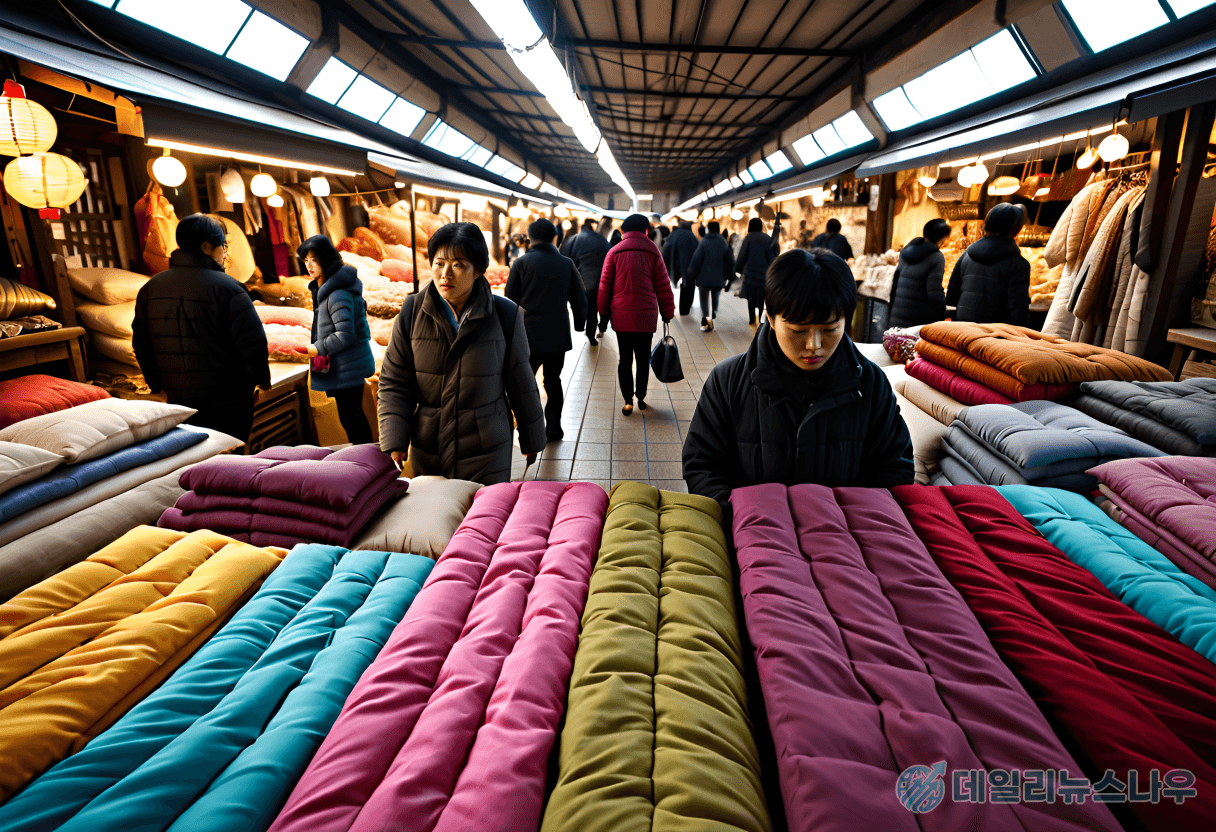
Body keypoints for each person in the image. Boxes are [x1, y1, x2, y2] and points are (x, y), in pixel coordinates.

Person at [682, 248, 914, 508]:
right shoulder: (727, 382)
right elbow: (703, 465)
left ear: (846, 321)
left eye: (829, 329)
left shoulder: (871, 384)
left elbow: (894, 469)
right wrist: (742, 520)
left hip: (844, 532)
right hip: (753, 530)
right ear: (770, 319)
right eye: (798, 330)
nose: (814, 345)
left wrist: (850, 522)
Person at [378, 222, 545, 484]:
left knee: (485, 509)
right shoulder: (412, 311)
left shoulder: (505, 315)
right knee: (435, 509)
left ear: (478, 269)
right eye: (439, 263)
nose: (446, 274)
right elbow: (394, 381)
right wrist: (394, 439)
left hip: (487, 450)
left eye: (457, 264)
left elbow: (521, 383)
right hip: (428, 447)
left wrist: (532, 437)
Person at [132, 214, 269, 442]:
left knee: (196, 457)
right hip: (228, 401)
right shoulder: (230, 288)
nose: (226, 253)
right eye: (223, 246)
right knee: (230, 456)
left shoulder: (150, 288)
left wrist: (156, 385)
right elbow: (252, 343)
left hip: (177, 400)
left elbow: (141, 343)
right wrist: (261, 379)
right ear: (207, 247)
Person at [504, 219, 588, 442]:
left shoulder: (520, 263)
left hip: (526, 336)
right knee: (553, 381)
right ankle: (553, 427)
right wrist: (580, 324)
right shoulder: (566, 264)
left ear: (530, 238)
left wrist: (507, 333)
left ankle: (528, 427)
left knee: (524, 383)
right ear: (555, 237)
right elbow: (580, 299)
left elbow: (509, 301)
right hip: (556, 335)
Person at [296, 235, 376, 445]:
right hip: (342, 364)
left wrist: (317, 348)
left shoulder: (337, 294)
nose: (309, 265)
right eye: (306, 260)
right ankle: (366, 456)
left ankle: (367, 458)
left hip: (347, 365)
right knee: (351, 416)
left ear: (326, 259)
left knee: (351, 418)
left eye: (314, 259)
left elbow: (345, 334)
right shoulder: (326, 289)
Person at [599, 213, 676, 415]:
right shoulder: (653, 252)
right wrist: (667, 312)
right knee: (643, 359)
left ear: (624, 230)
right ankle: (641, 396)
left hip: (621, 316)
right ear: (646, 231)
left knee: (625, 360)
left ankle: (628, 401)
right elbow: (663, 285)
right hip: (645, 317)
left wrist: (603, 313)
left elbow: (605, 286)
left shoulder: (614, 252)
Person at [945, 203, 1030, 326]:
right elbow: (1018, 311)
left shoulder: (967, 254)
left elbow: (951, 297)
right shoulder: (1019, 265)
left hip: (963, 328)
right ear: (1016, 231)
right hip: (994, 333)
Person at [888, 218, 951, 329]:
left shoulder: (906, 252)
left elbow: (894, 284)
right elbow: (934, 292)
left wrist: (890, 313)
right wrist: (941, 315)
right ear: (943, 238)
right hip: (918, 321)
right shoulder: (936, 257)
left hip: (897, 317)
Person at [568, 217, 611, 345]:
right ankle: (595, 330)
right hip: (601, 281)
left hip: (584, 281)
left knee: (588, 308)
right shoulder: (603, 242)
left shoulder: (578, 239)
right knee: (598, 308)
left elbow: (573, 260)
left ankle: (586, 330)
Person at [686, 220, 735, 332]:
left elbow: (696, 260)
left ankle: (707, 319)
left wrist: (691, 274)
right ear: (718, 229)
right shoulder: (723, 242)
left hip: (703, 278)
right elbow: (730, 261)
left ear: (708, 229)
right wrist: (730, 277)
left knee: (704, 301)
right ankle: (714, 312)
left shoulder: (704, 242)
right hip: (719, 278)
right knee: (715, 298)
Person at [736, 217, 776, 326]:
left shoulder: (748, 237)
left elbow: (742, 255)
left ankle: (752, 319)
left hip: (750, 274)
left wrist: (738, 269)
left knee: (751, 297)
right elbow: (771, 257)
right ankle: (760, 319)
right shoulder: (767, 238)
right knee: (761, 297)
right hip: (763, 274)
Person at [662, 219, 698, 316]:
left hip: (675, 263)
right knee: (689, 285)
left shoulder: (674, 234)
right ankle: (685, 308)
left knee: (673, 285)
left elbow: (666, 249)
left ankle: (671, 307)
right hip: (690, 265)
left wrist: (664, 263)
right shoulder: (692, 236)